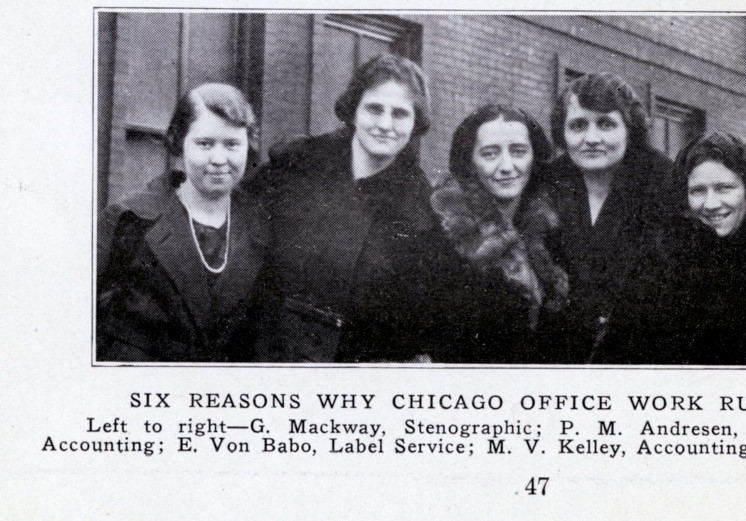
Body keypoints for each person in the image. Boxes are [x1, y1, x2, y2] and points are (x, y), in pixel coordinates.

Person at [248, 54, 439, 363]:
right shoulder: (297, 164)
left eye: (400, 114)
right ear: (353, 110)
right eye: (374, 109)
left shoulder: (422, 213)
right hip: (267, 357)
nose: (385, 125)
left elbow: (415, 324)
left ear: (416, 122)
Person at [97, 82, 265, 362]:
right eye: (204, 144)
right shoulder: (130, 222)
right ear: (178, 143)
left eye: (232, 144)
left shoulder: (261, 230)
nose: (219, 159)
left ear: (249, 147)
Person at [595, 132, 746, 365]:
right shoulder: (663, 255)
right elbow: (616, 346)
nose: (710, 204)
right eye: (697, 191)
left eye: (724, 188)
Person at [544, 72, 673, 364]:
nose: (591, 138)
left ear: (630, 129)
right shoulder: (546, 184)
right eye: (578, 125)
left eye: (606, 124)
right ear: (562, 133)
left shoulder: (665, 184)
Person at [429, 105, 569, 363]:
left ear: (534, 157)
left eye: (518, 151)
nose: (507, 166)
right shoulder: (442, 232)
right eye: (490, 153)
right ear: (469, 162)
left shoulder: (551, 229)